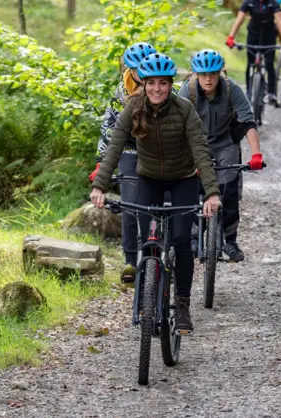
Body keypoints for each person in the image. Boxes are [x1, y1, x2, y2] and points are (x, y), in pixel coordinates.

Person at [90, 53, 221, 332]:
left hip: (183, 179)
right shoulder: (132, 107)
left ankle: (183, 305)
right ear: (143, 83)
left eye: (163, 83)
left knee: (182, 239)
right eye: (151, 83)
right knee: (148, 240)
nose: (157, 89)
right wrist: (100, 185)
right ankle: (147, 294)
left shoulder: (184, 108)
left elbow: (200, 150)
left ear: (170, 84)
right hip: (148, 178)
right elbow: (114, 147)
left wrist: (211, 193)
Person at [179, 49, 264, 262]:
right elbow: (177, 126)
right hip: (194, 144)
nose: (208, 78)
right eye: (203, 74)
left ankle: (230, 240)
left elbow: (247, 121)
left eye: (213, 73)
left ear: (221, 73)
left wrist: (256, 154)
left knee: (229, 188)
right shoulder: (186, 91)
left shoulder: (231, 89)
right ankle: (192, 235)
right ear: (194, 74)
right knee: (189, 186)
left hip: (225, 143)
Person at [89, 42, 156, 285]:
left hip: (158, 149)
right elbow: (109, 129)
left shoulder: (163, 86)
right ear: (129, 69)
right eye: (137, 69)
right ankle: (130, 259)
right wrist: (101, 163)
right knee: (129, 205)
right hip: (129, 147)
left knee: (158, 205)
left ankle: (160, 249)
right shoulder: (121, 91)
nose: (142, 72)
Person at [225, 0, 281, 104]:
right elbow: (239, 20)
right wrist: (231, 37)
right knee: (250, 63)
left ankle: (271, 93)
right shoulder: (249, 2)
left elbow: (279, 21)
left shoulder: (273, 3)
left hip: (269, 36)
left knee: (269, 63)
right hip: (253, 34)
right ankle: (248, 92)